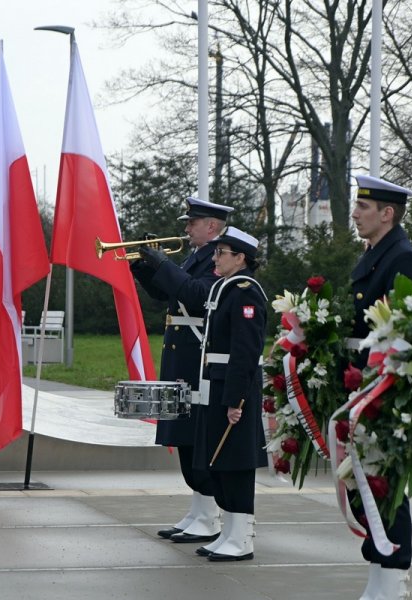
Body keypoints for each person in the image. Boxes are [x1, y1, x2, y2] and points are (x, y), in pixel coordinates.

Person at [131, 196, 232, 544]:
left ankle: (209, 514)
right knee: (185, 436)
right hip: (182, 356)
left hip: (196, 356)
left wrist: (163, 264)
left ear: (212, 227)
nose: (186, 228)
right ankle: (199, 509)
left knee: (196, 437)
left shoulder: (219, 259)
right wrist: (145, 268)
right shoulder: (196, 256)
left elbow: (195, 294)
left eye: (193, 222)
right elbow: (167, 295)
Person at [346, 175, 412, 600]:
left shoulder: (403, 259)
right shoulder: (376, 253)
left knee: (384, 482)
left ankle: (394, 578)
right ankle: (379, 570)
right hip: (360, 384)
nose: (356, 214)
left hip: (382, 389)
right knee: (363, 480)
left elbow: (400, 334)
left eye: (363, 207)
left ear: (387, 214)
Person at [191, 226, 268, 562]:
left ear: (240, 258)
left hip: (234, 388)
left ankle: (242, 538)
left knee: (235, 466)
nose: (215, 257)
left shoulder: (245, 292)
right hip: (217, 383)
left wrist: (235, 399)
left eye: (221, 252)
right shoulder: (228, 289)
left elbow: (245, 351)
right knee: (219, 464)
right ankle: (229, 533)